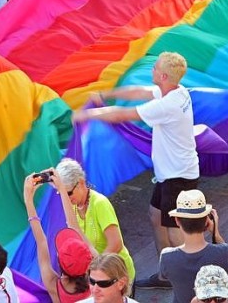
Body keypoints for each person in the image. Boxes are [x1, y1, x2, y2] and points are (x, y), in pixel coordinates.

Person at [73, 52, 199, 288]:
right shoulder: (174, 90)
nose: (151, 69)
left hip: (178, 176)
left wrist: (86, 114)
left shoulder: (166, 105)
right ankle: (166, 275)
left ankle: (186, 282)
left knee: (175, 231)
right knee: (156, 216)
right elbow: (137, 91)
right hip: (171, 173)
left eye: (155, 67)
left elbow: (124, 114)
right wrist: (105, 94)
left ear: (163, 76)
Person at [52, 158, 135, 282]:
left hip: (117, 274)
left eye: (68, 193)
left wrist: (95, 269)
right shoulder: (73, 207)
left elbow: (116, 244)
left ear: (80, 182)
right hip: (98, 276)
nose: (66, 198)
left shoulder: (99, 203)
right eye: (60, 193)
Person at [158, 190, 228, 303]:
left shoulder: (167, 256)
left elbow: (163, 277)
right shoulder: (224, 252)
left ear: (177, 221)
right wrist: (215, 234)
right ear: (207, 220)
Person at [24, 170, 92, 303]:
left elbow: (41, 242)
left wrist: (28, 200)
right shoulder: (97, 281)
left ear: (60, 263)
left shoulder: (54, 286)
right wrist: (61, 188)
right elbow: (74, 227)